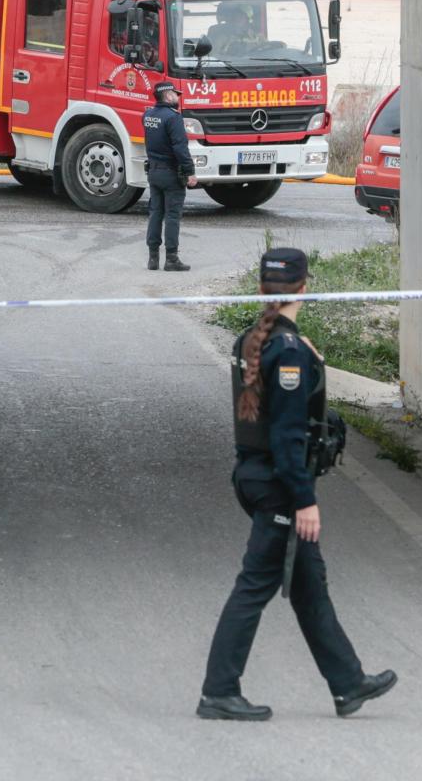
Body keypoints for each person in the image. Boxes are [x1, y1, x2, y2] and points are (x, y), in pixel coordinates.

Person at [197, 247, 396, 721]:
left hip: (255, 473)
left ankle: (348, 682)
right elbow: (286, 435)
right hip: (277, 483)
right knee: (255, 584)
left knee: (309, 584)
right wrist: (304, 500)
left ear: (263, 288)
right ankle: (218, 692)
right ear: (305, 287)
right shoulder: (287, 351)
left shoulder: (255, 338)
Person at [142, 81, 198, 272]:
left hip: (154, 172)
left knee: (155, 213)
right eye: (175, 94)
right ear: (167, 95)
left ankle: (153, 258)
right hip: (170, 173)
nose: (178, 97)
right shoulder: (173, 118)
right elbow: (180, 148)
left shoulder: (148, 115)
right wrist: (190, 171)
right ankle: (171, 259)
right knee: (172, 216)